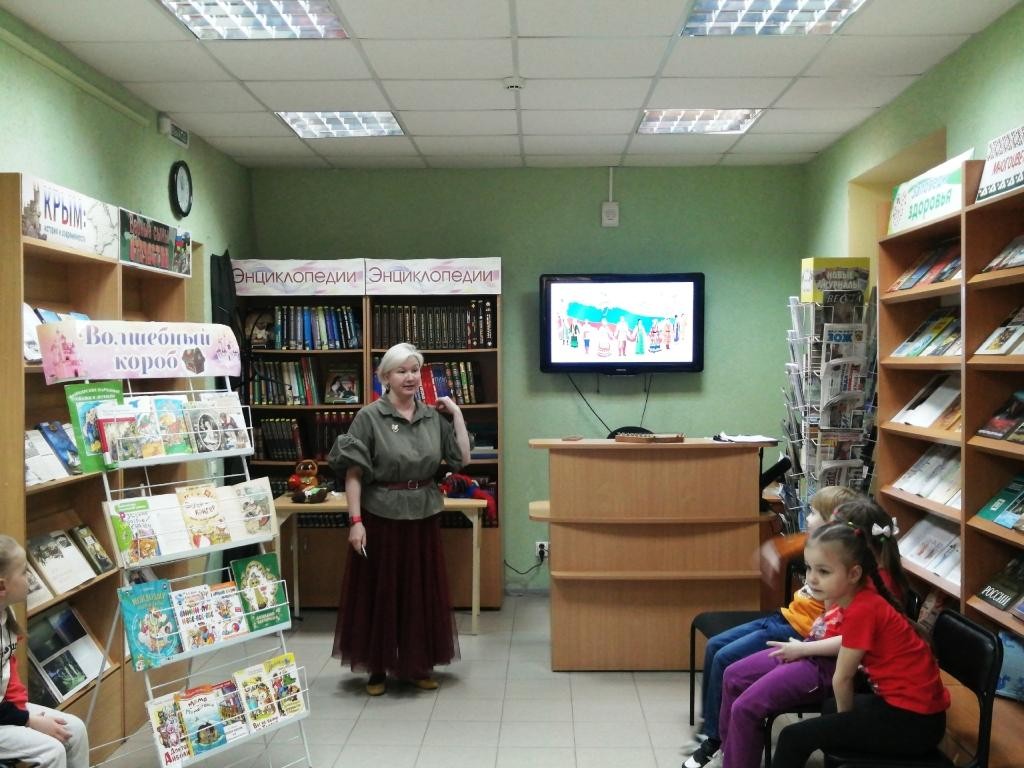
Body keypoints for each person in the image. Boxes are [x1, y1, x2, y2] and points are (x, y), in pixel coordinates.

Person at [710, 505, 910, 768]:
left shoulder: (871, 587)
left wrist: (804, 649)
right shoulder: (845, 575)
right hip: (812, 648)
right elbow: (832, 618)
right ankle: (729, 754)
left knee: (746, 707)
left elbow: (851, 647)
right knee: (733, 675)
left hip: (825, 663)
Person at [328, 342, 471, 696]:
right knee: (381, 592)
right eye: (401, 371)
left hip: (423, 514)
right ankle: (377, 668)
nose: (409, 377)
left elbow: (463, 459)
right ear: (385, 377)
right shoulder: (369, 417)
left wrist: (456, 413)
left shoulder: (432, 417)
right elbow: (353, 474)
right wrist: (355, 521)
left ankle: (416, 665)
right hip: (381, 515)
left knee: (419, 592)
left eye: (414, 370)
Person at [684, 486, 858, 768]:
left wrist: (806, 649)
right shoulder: (819, 544)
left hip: (802, 635)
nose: (807, 516)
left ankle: (715, 741)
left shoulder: (845, 568)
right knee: (717, 648)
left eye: (814, 512)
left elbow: (843, 638)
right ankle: (715, 734)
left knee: (727, 662)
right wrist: (771, 551)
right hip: (786, 619)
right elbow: (787, 545)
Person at [771, 521, 949, 768]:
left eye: (824, 572)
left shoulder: (862, 610)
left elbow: (842, 678)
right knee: (830, 706)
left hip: (917, 722)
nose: (811, 579)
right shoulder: (860, 597)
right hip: (917, 712)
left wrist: (843, 727)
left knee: (792, 737)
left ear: (854, 574)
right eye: (809, 568)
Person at [0, 534, 89, 768]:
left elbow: (9, 671)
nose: (29, 576)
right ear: (2, 586)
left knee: (75, 729)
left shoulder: (7, 614)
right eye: (23, 572)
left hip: (6, 711)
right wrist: (28, 720)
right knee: (52, 751)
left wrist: (23, 712)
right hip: (3, 715)